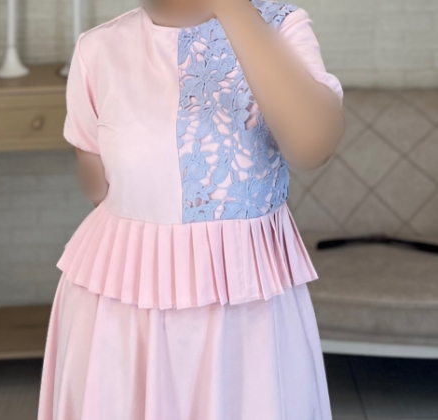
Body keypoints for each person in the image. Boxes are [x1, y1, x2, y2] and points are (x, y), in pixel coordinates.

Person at [37, 0, 345, 418]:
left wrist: (230, 8)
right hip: (121, 311)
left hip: (247, 308)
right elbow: (100, 187)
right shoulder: (98, 48)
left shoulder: (282, 28)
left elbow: (312, 144)